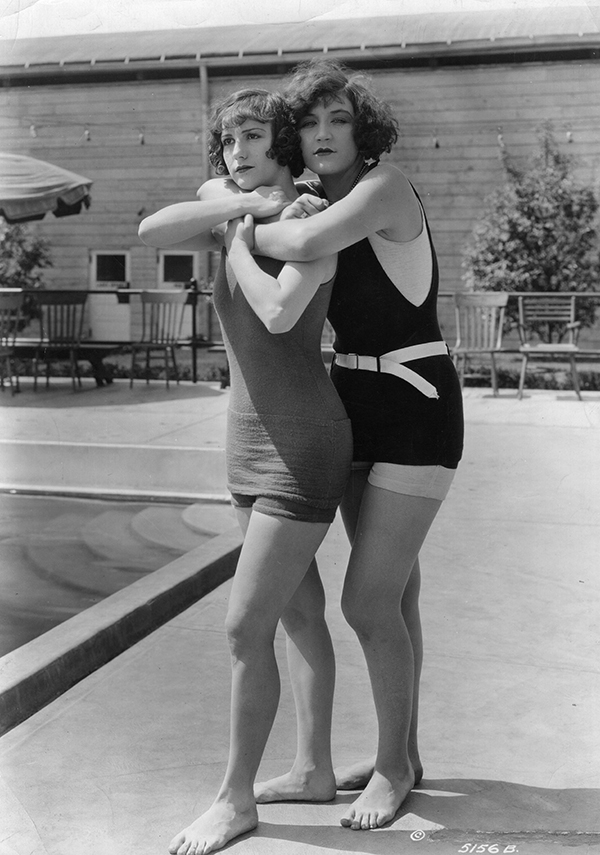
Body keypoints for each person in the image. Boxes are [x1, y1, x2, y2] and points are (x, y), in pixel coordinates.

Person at [243, 59, 465, 832]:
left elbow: (302, 239)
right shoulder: (318, 197)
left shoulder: (383, 188)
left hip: (416, 403)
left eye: (339, 119)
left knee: (365, 601)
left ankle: (395, 766)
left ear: (362, 128)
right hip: (352, 405)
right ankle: (380, 754)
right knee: (396, 594)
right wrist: (281, 206)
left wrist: (246, 221)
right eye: (309, 123)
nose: (325, 134)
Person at [139, 88, 352, 855]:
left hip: (304, 441)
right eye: (227, 139)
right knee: (297, 616)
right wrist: (238, 206)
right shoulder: (231, 199)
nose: (236, 150)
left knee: (242, 624)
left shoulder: (304, 217)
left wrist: (241, 232)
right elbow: (151, 227)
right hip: (245, 442)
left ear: (283, 144)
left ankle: (234, 798)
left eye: (253, 135)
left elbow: (280, 316)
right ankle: (314, 769)